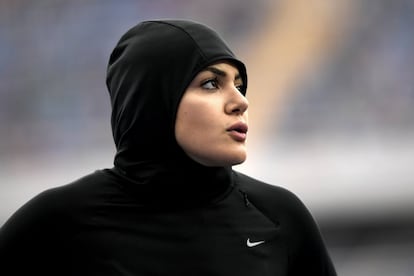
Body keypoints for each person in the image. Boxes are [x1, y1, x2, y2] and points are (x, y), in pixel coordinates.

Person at [0, 19, 337, 275]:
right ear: (151, 101)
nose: (240, 102)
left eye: (239, 85)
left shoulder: (281, 215)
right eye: (210, 84)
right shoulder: (58, 221)